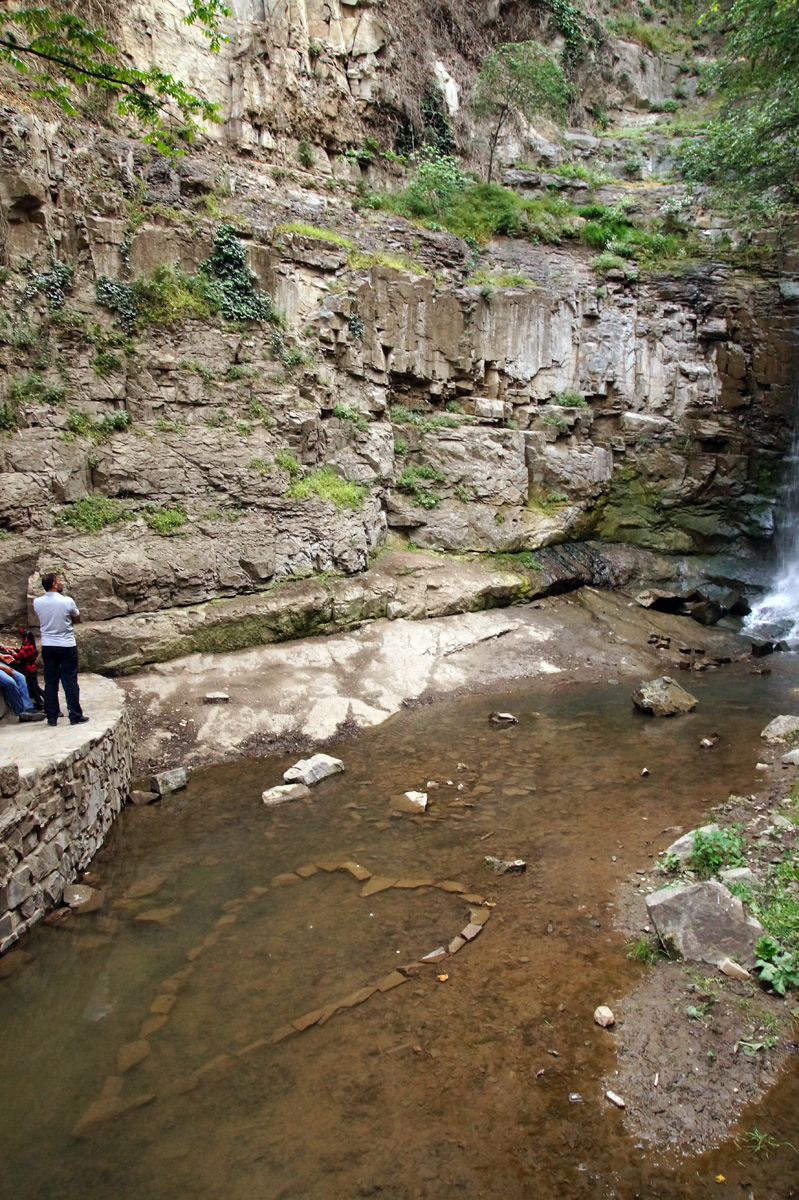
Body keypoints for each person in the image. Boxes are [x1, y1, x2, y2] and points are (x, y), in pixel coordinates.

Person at [32, 571, 89, 727]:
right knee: (70, 680)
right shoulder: (67, 601)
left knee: (50, 681)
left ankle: (52, 715)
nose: (61, 583)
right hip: (66, 645)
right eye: (59, 581)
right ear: (54, 584)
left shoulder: (37, 602)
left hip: (48, 645)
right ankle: (75, 715)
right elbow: (77, 619)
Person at [0, 629, 44, 709]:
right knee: (35, 688)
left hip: (29, 671)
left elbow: (18, 656)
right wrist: (13, 649)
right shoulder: (30, 647)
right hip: (31, 671)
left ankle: (40, 703)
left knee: (34, 689)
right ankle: (40, 702)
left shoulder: (28, 648)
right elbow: (20, 652)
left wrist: (10, 652)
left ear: (26, 639)